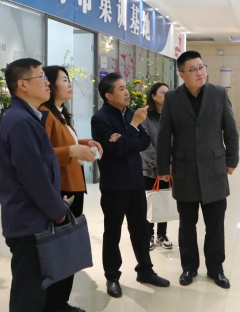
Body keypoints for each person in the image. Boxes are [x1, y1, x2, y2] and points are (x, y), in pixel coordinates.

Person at [157, 50, 239, 289]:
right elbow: (164, 137)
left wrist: (232, 159)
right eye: (193, 69)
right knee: (187, 225)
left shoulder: (219, 93)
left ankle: (216, 269)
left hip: (214, 170)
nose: (200, 72)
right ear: (182, 74)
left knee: (215, 226)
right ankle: (189, 267)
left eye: (202, 67)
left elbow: (230, 130)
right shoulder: (172, 99)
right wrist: (162, 167)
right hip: (184, 171)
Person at [0, 58, 70, 312]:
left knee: (35, 289)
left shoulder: (28, 116)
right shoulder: (21, 121)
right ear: (23, 85)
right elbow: (33, 175)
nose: (47, 83)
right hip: (28, 221)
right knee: (28, 294)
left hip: (33, 218)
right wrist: (57, 210)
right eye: (42, 78)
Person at [91, 72, 170, 298]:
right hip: (114, 185)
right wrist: (132, 128)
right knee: (113, 233)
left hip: (135, 182)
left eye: (126, 87)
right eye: (121, 89)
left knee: (141, 229)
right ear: (108, 95)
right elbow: (115, 150)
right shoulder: (100, 119)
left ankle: (145, 270)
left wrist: (124, 138)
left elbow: (143, 141)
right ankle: (112, 277)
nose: (127, 92)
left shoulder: (129, 113)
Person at [39, 65, 103, 312]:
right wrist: (73, 150)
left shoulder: (60, 114)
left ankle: (59, 302)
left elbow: (67, 142)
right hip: (62, 189)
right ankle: (55, 304)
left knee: (68, 248)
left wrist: (85, 142)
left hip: (73, 187)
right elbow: (42, 154)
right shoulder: (46, 114)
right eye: (64, 79)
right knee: (61, 250)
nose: (69, 84)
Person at [140, 82, 174, 251]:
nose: (167, 95)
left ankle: (162, 234)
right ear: (153, 96)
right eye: (162, 92)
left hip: (168, 167)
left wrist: (170, 163)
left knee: (164, 200)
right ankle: (148, 235)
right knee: (150, 202)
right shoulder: (145, 117)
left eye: (168, 92)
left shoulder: (172, 115)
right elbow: (145, 145)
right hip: (149, 168)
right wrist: (159, 164)